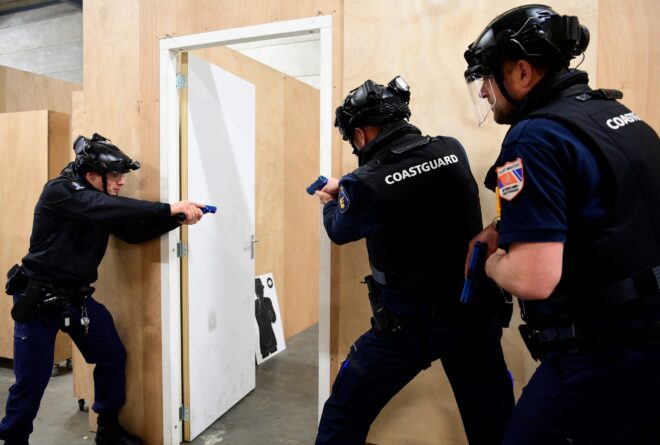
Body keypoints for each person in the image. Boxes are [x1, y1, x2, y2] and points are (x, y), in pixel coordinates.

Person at [463, 5, 660, 444]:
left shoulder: (533, 136)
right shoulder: (616, 116)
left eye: (487, 77)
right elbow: (602, 206)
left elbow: (533, 278)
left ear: (521, 71)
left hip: (602, 355)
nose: (483, 94)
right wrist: (505, 224)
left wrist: (492, 261)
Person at [312, 76, 514, 444]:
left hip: (408, 325)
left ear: (360, 135)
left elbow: (340, 230)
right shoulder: (451, 149)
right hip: (473, 311)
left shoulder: (364, 183)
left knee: (344, 412)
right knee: (493, 420)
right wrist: (353, 189)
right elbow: (410, 189)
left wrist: (332, 201)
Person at [0, 133, 206, 445]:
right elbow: (98, 206)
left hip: (75, 298)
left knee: (111, 355)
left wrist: (176, 219)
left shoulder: (100, 202)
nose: (122, 182)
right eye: (116, 176)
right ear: (92, 175)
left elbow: (131, 233)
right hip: (38, 298)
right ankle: (13, 439)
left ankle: (108, 428)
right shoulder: (61, 191)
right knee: (31, 380)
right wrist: (167, 208)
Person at [254, 277, 278, 359]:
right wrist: (260, 306)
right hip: (263, 340)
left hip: (271, 337)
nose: (260, 292)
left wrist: (271, 315)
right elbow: (258, 319)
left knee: (277, 358)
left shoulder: (268, 300)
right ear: (255, 292)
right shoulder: (254, 305)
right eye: (258, 290)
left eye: (261, 289)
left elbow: (274, 319)